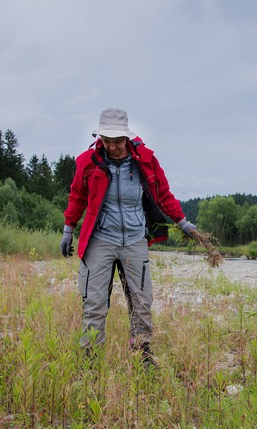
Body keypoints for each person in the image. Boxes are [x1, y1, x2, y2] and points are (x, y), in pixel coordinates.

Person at [60, 108, 196, 367]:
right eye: (106, 140)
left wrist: (183, 222)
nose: (112, 146)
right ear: (100, 138)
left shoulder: (145, 161)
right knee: (95, 302)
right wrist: (69, 229)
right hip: (100, 240)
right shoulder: (87, 162)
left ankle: (142, 355)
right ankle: (91, 360)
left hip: (134, 240)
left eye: (117, 141)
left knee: (141, 300)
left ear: (127, 137)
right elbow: (77, 196)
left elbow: (164, 194)